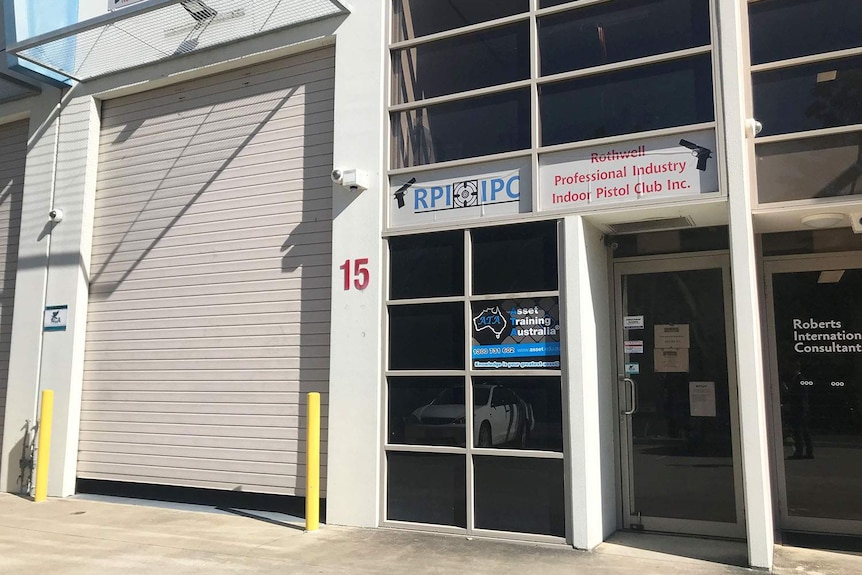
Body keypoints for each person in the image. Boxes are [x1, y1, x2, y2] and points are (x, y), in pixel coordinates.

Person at [783, 358, 814, 460]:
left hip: (798, 409)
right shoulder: (799, 379)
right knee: (804, 431)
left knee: (799, 431)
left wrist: (788, 392)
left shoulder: (799, 380)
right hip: (800, 409)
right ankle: (808, 452)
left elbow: (799, 396)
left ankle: (800, 452)